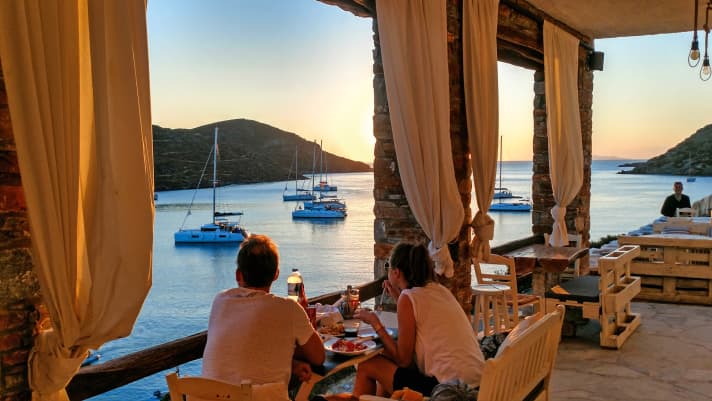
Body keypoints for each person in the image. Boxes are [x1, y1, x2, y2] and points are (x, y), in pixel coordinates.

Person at [332, 242, 485, 400]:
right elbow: (419, 316)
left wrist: (375, 322)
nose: (387, 271)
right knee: (387, 362)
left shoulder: (408, 297)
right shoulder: (439, 290)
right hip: (477, 382)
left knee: (367, 365)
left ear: (396, 272)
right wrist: (398, 297)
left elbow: (403, 360)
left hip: (449, 390)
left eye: (387, 266)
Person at [201, 234, 325, 401]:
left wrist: (292, 364)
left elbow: (244, 349)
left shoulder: (220, 301)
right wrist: (302, 314)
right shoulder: (289, 309)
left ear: (238, 275)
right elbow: (318, 357)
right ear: (276, 274)